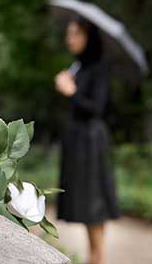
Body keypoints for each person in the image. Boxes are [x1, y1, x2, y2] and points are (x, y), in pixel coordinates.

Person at [55, 14, 120, 264]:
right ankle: (95, 256)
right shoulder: (79, 66)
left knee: (93, 203)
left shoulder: (99, 67)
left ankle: (97, 257)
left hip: (90, 141)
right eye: (69, 33)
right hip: (78, 140)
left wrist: (70, 91)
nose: (69, 38)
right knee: (86, 202)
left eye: (75, 34)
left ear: (88, 37)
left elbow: (96, 108)